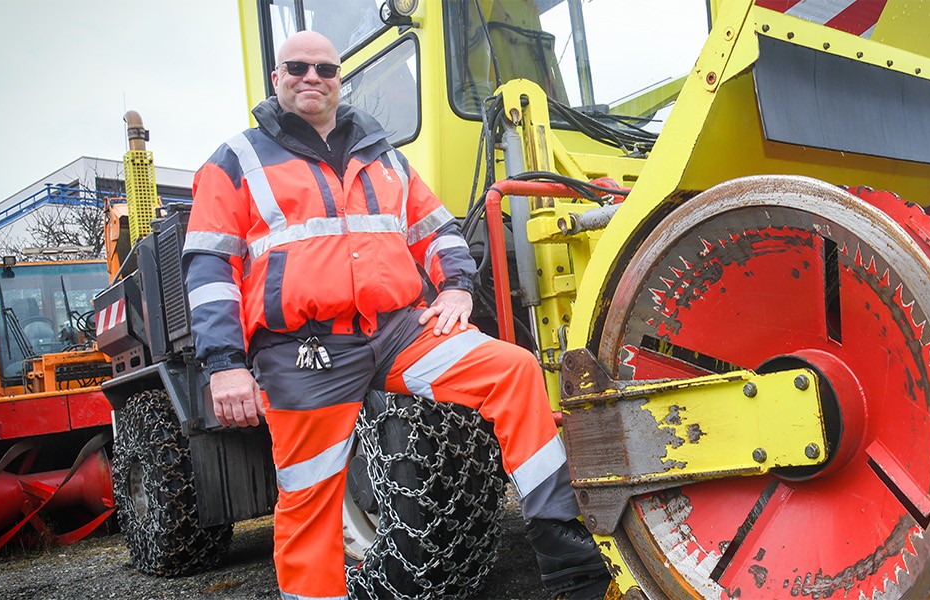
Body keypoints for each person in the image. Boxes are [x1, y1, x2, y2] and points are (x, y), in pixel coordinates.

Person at [182, 30, 611, 600]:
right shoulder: (235, 161)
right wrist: (224, 364)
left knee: (512, 369)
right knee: (310, 502)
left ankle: (567, 558)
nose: (313, 78)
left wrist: (457, 289)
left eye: (326, 70)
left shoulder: (383, 155)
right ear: (277, 78)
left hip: (398, 329)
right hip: (307, 350)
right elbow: (210, 268)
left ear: (341, 80)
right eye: (298, 68)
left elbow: (437, 232)